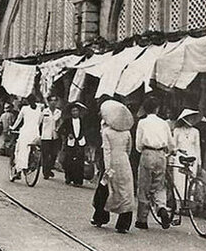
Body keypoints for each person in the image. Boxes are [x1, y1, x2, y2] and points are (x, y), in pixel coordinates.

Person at [92, 100, 135, 233]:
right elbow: (129, 149)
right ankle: (123, 223)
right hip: (124, 162)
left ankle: (100, 217)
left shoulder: (107, 132)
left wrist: (107, 168)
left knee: (106, 189)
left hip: (111, 162)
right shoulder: (127, 132)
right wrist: (124, 158)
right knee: (125, 192)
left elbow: (107, 151)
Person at [134, 97, 174, 230]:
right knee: (159, 185)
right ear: (157, 109)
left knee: (144, 187)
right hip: (161, 155)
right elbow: (170, 142)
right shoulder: (164, 123)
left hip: (148, 153)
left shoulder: (142, 123)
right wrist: (170, 151)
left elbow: (138, 145)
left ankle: (142, 220)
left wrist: (142, 150)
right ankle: (162, 208)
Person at [172, 109, 202, 202]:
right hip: (180, 157)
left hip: (192, 157)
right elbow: (173, 145)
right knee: (179, 181)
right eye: (190, 118)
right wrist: (175, 153)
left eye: (193, 118)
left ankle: (189, 202)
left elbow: (198, 147)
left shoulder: (196, 131)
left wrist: (199, 162)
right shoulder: (177, 131)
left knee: (190, 180)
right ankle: (178, 202)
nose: (192, 120)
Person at [11, 95, 43, 179]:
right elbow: (39, 122)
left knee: (21, 150)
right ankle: (29, 166)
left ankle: (19, 170)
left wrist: (13, 128)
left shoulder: (25, 109)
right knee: (33, 149)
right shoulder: (39, 109)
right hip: (35, 132)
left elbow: (19, 119)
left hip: (25, 132)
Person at [59, 102, 88, 186]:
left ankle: (78, 180)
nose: (75, 112)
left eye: (76, 111)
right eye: (73, 111)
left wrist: (83, 137)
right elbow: (60, 130)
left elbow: (86, 131)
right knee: (69, 161)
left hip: (80, 142)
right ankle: (69, 177)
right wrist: (68, 134)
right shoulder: (67, 121)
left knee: (79, 162)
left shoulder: (82, 121)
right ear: (71, 112)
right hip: (71, 143)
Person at [39, 96, 62, 179]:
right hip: (45, 136)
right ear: (48, 102)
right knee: (45, 154)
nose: (53, 102)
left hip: (55, 136)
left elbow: (60, 123)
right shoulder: (44, 111)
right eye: (51, 101)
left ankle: (49, 169)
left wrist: (58, 128)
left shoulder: (59, 112)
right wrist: (38, 134)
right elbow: (39, 123)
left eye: (55, 100)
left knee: (54, 154)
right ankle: (46, 172)